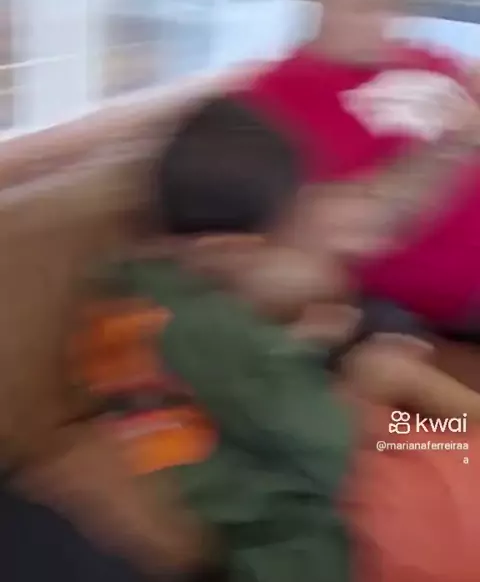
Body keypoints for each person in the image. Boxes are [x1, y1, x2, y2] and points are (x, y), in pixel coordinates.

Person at [60, 97, 479, 582]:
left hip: (315, 463)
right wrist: (375, 383)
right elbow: (330, 445)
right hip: (338, 540)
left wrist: (297, 342)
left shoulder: (133, 287)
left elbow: (227, 386)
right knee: (448, 435)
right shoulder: (212, 332)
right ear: (229, 250)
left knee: (440, 428)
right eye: (292, 239)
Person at [239, 0, 480, 333]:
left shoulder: (422, 59)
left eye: (399, 7)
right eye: (367, 6)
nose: (388, 24)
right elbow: (352, 229)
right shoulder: (271, 101)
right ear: (322, 0)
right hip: (457, 285)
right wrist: (452, 145)